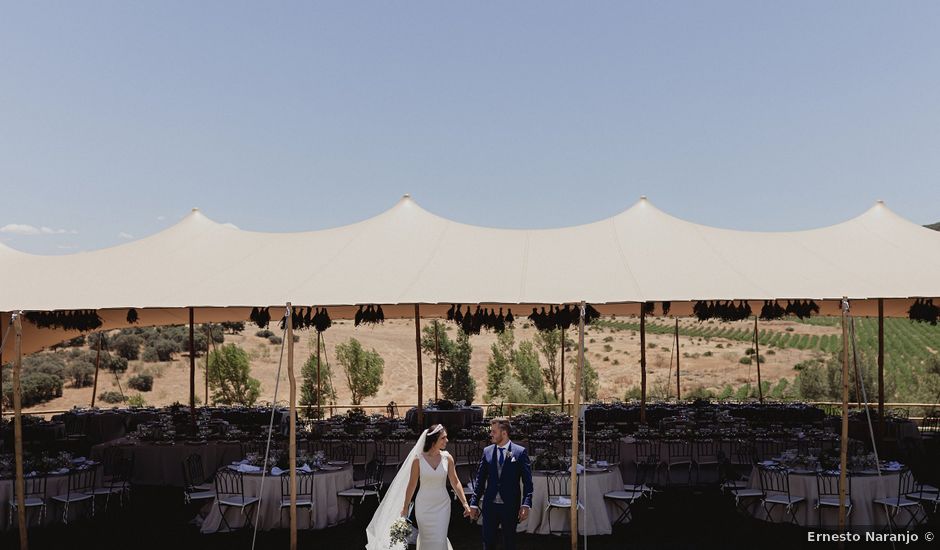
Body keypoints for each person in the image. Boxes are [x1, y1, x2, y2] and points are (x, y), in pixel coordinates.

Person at [365, 424, 471, 550]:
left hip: (442, 505)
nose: (446, 441)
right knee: (426, 539)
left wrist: (465, 503)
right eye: (443, 438)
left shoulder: (447, 458)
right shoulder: (418, 460)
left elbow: (455, 481)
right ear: (433, 440)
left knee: (440, 538)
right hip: (423, 506)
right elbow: (412, 485)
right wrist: (405, 507)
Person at [468, 418, 533, 550]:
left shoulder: (519, 452)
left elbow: (527, 482)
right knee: (488, 542)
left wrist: (526, 504)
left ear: (504, 433)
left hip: (510, 505)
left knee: (510, 543)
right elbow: (480, 480)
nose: (491, 434)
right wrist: (474, 503)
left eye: (494, 431)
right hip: (490, 505)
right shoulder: (487, 451)